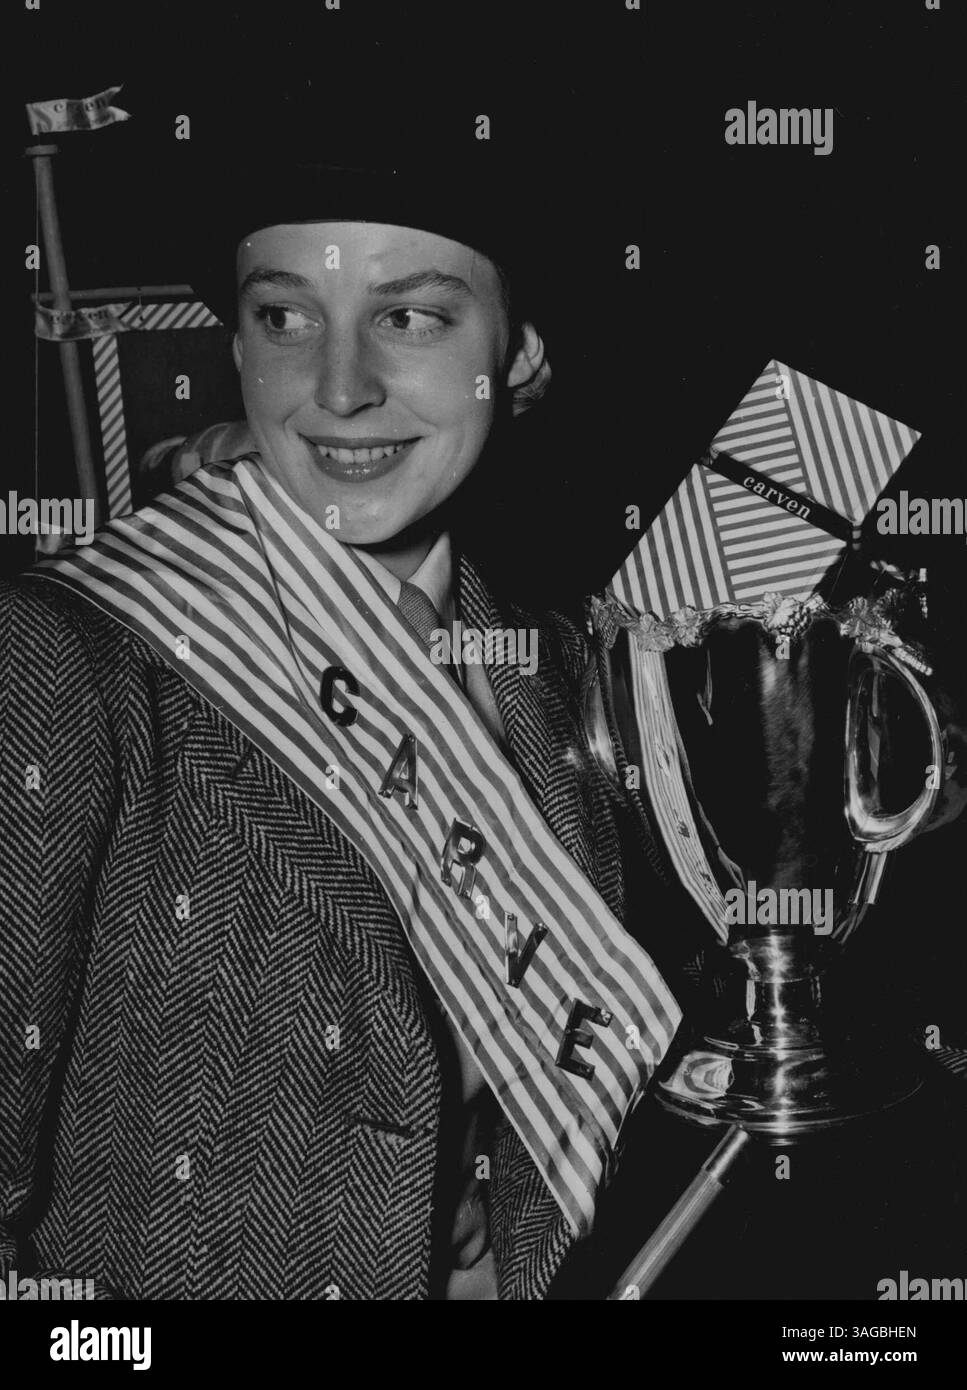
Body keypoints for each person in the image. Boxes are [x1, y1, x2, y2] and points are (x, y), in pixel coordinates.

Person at [0, 158, 692, 1301]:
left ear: (517, 357)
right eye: (283, 317)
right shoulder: (67, 657)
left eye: (409, 316)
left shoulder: (554, 666)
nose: (336, 390)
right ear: (235, 345)